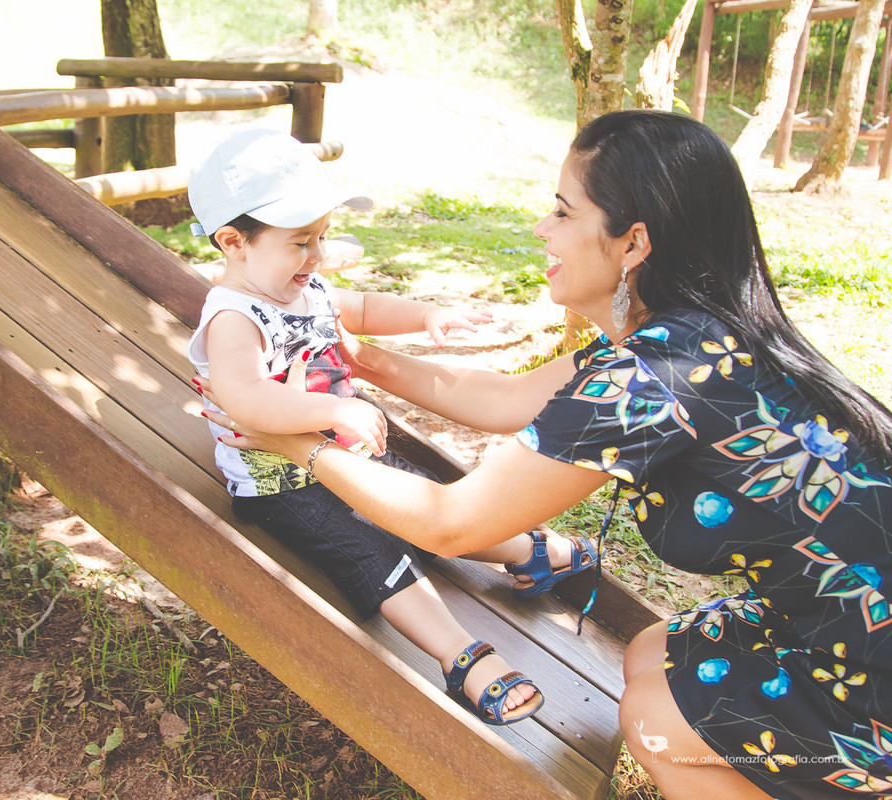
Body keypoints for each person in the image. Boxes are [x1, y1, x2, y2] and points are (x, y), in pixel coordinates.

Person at [203, 110, 892, 799]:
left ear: (633, 243)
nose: (542, 229)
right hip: (838, 624)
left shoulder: (653, 380)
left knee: (653, 718)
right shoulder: (688, 333)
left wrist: (294, 444)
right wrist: (358, 359)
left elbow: (452, 522)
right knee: (650, 654)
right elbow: (504, 399)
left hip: (874, 671)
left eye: (562, 212)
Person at [186, 128, 599, 726]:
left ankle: (528, 552)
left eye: (322, 238)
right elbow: (246, 400)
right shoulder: (232, 318)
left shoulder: (303, 287)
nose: (318, 258)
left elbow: (361, 309)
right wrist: (330, 410)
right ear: (234, 242)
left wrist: (428, 314)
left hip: (349, 458)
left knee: (425, 508)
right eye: (301, 243)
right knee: (375, 548)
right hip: (285, 487)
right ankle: (462, 656)